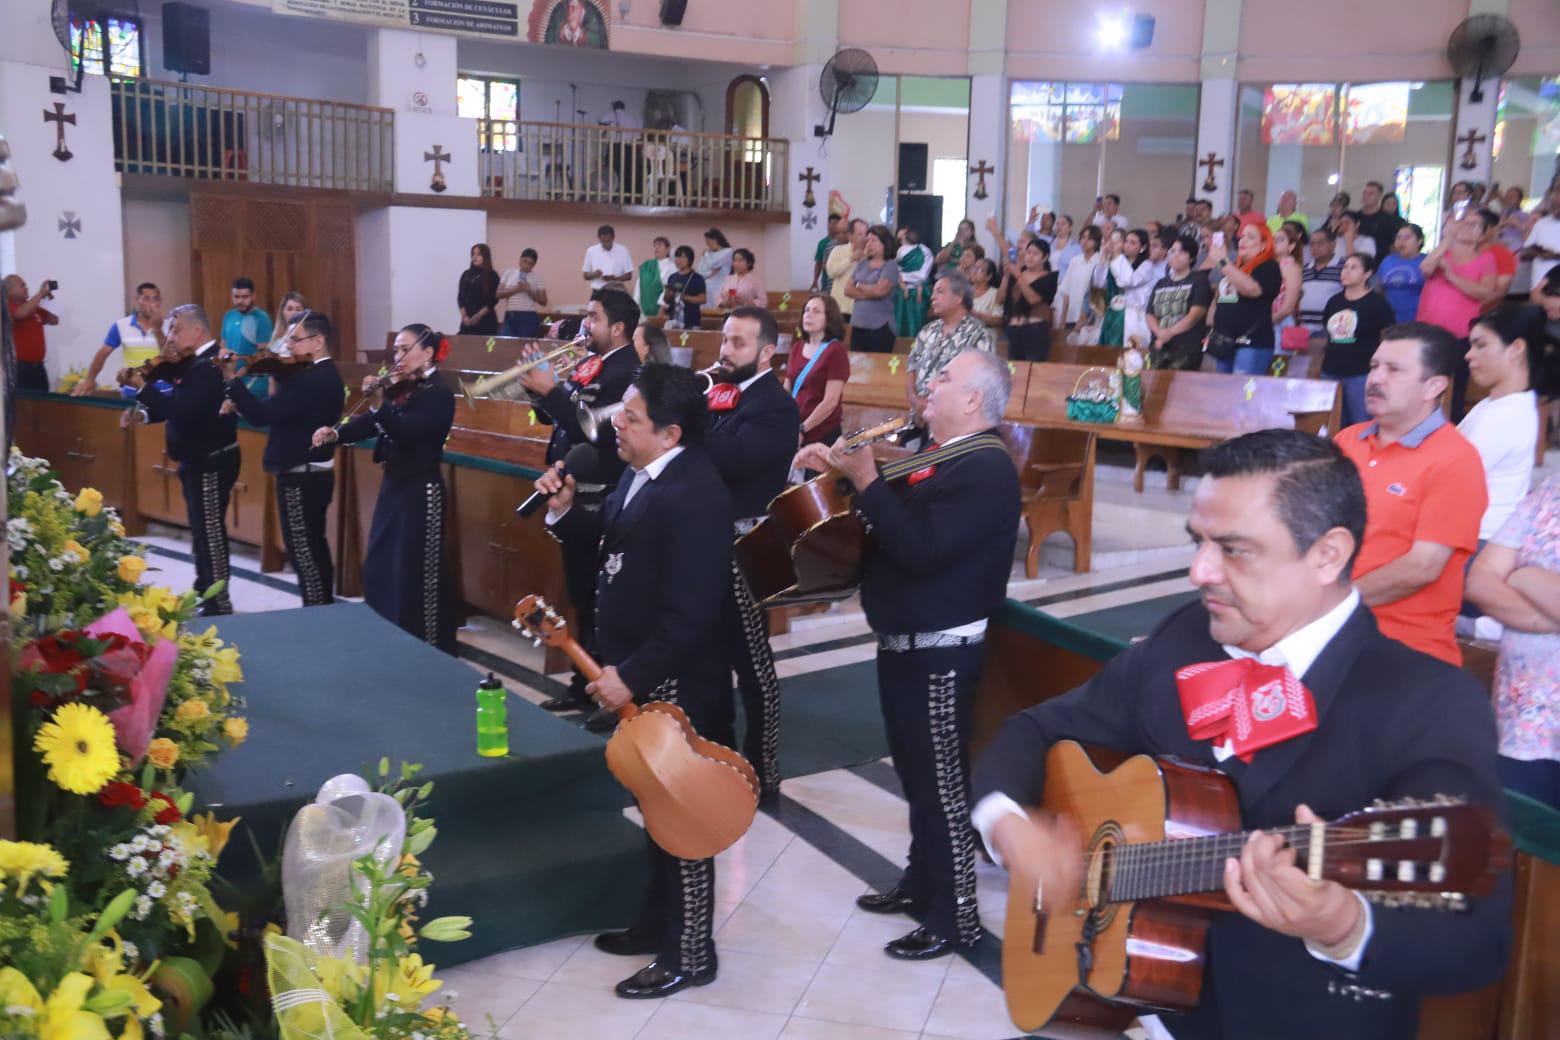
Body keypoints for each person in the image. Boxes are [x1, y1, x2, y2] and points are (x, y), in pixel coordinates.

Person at [973, 427, 1512, 1040]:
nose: (1201, 571)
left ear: (1329, 554)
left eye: (1235, 549)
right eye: (1198, 542)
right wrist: (1009, 826)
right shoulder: (1184, 641)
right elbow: (1036, 729)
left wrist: (1345, 923)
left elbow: (1477, 940)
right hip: (1144, 1010)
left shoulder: (1428, 704)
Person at [796, 348, 1021, 961]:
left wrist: (868, 480)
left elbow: (923, 547)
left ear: (975, 400)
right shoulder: (939, 456)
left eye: (944, 378)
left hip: (943, 650)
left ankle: (956, 919)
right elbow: (890, 521)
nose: (929, 384)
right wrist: (844, 477)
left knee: (942, 784)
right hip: (904, 641)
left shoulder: (986, 468)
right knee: (915, 776)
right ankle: (922, 881)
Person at [536, 363, 733, 999]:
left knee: (683, 817)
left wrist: (634, 675)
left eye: (631, 417)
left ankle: (691, 951)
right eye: (621, 408)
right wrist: (565, 514)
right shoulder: (641, 474)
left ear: (671, 432)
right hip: (640, 670)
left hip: (677, 681)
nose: (615, 422)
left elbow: (693, 613)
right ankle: (655, 923)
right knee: (654, 809)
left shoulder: (697, 493)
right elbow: (616, 542)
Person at [1335, 323, 1486, 665]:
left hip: (1405, 652)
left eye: (1394, 370)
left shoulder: (1455, 459)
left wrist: (1332, 603)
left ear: (1434, 386)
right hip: (1333, 638)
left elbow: (1421, 567)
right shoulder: (1348, 441)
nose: (1376, 379)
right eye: (1374, 366)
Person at [523, 289, 641, 717]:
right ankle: (582, 684)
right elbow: (559, 418)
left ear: (619, 328)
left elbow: (598, 432)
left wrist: (554, 393)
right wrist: (540, 392)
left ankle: (604, 695)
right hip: (573, 494)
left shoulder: (629, 373)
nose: (585, 324)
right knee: (579, 597)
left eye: (593, 317)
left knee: (600, 602)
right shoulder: (593, 365)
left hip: (602, 498)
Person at [703, 307, 800, 796]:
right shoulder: (721, 395)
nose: (725, 351)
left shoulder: (776, 407)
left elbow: (736, 461)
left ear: (766, 352)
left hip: (747, 546)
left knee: (752, 662)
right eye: (724, 340)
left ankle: (764, 766)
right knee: (708, 659)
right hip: (707, 540)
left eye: (738, 343)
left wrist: (688, 421)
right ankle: (716, 755)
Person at [317, 325, 457, 650]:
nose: (398, 357)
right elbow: (372, 423)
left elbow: (406, 431)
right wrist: (337, 433)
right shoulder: (403, 389)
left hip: (422, 490)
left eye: (405, 349)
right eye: (395, 350)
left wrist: (380, 406)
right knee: (383, 563)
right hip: (395, 483)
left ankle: (428, 645)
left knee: (416, 569)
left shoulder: (438, 393)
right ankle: (388, 635)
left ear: (428, 353)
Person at [222, 311, 345, 608]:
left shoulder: (310, 380)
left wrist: (232, 382)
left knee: (304, 550)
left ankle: (318, 613)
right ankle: (321, 609)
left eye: (294, 339)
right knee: (313, 546)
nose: (287, 346)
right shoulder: (319, 374)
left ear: (317, 342)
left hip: (301, 475)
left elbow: (261, 415)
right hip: (315, 472)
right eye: (287, 338)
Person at [124, 304, 237, 616]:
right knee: (200, 531)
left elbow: (184, 412)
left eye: (175, 330)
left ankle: (219, 601)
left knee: (210, 532)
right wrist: (144, 413)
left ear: (196, 331)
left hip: (211, 459)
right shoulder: (191, 363)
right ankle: (205, 589)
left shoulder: (210, 365)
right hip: (195, 460)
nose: (170, 337)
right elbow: (176, 404)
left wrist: (144, 389)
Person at [1465, 475, 1560, 808]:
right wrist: (1545, 618)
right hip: (1521, 727)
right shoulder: (1548, 493)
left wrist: (1523, 575)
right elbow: (1479, 579)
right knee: (1521, 848)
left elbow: (1500, 573)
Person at [1460, 305, 1542, 547]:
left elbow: (1450, 477)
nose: (1468, 355)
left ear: (1515, 349)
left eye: (1481, 345)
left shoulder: (1508, 414)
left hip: (1480, 540)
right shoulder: (1492, 405)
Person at [1320, 253, 1397, 426]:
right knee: (1331, 423)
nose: (1346, 271)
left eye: (1353, 267)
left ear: (1367, 273)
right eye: (1345, 267)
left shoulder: (1377, 304)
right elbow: (1328, 331)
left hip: (1360, 373)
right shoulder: (1334, 301)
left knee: (1360, 423)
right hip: (1330, 369)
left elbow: (1388, 337)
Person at [908, 270, 996, 418]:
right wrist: (915, 400)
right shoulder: (927, 331)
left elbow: (981, 382)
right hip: (919, 416)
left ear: (959, 297)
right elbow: (911, 368)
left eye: (940, 292)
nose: (932, 297)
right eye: (933, 292)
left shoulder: (979, 334)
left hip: (955, 420)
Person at [1205, 221, 1282, 374]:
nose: (1243, 240)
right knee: (1223, 394)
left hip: (1252, 342)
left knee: (1243, 395)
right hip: (1225, 342)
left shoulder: (1269, 266)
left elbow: (1251, 289)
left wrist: (1222, 261)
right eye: (1242, 236)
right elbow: (1221, 298)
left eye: (1250, 237)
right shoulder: (1233, 268)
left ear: (1263, 245)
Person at [75, 282, 167, 395]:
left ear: (160, 302)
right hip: (132, 390)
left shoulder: (168, 324)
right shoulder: (121, 325)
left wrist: (158, 330)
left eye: (155, 299)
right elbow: (102, 354)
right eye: (146, 299)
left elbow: (170, 355)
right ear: (137, 300)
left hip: (163, 390)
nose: (151, 303)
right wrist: (90, 380)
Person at [785, 292, 850, 447]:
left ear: (829, 318)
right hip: (795, 428)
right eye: (806, 310)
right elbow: (786, 390)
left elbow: (830, 401)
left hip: (821, 432)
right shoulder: (797, 347)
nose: (808, 315)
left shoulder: (836, 351)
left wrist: (803, 428)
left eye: (816, 311)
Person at [1146, 235, 1212, 371]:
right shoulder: (1161, 283)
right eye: (1173, 251)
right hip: (1159, 346)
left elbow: (1195, 316)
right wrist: (1159, 332)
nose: (1176, 255)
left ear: (1192, 257)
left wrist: (1168, 333)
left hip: (1186, 348)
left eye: (1181, 252)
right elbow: (1150, 313)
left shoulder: (1199, 280)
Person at [1094, 228, 1155, 347]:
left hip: (1133, 316)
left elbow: (1128, 281)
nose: (1127, 245)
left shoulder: (1146, 266)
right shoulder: (1116, 262)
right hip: (1113, 313)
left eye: (1133, 242)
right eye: (1126, 241)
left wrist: (1116, 255)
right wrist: (1103, 257)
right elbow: (1099, 283)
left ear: (1142, 247)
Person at [845, 224, 901, 353]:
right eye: (868, 240)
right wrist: (869, 288)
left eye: (873, 240)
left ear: (885, 243)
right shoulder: (862, 264)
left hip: (880, 327)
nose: (868, 244)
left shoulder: (890, 266)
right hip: (858, 324)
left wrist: (858, 286)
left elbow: (880, 291)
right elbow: (847, 289)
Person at [1001, 236, 1057, 361]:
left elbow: (1033, 299)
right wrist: (1006, 276)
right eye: (1028, 252)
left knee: (1034, 371)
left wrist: (1018, 276)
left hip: (1035, 330)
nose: (1030, 257)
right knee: (1014, 371)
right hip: (1014, 328)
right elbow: (1000, 299)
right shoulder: (1018, 272)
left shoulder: (1050, 278)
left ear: (1045, 257)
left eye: (1035, 253)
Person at [4, 275, 56, 391]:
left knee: (43, 405)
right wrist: (41, 293)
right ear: (9, 290)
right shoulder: (7, 306)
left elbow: (54, 320)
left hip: (38, 368)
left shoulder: (32, 307)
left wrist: (47, 299)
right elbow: (20, 314)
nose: (26, 288)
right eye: (22, 285)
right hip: (20, 369)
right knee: (24, 407)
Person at [220, 277, 274, 384]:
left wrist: (246, 369)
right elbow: (223, 347)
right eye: (236, 297)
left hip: (253, 379)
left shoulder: (262, 318)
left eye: (245, 297)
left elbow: (263, 354)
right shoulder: (229, 316)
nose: (240, 301)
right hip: (230, 377)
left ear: (253, 296)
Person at [1377, 223, 1427, 324]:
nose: (1401, 241)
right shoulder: (1387, 260)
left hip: (1416, 319)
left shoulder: (1427, 261)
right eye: (1398, 237)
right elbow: (1379, 289)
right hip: (1389, 318)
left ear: (1419, 241)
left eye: (1407, 237)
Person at [1297, 227, 1344, 334]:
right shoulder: (1304, 269)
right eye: (1312, 243)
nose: (1315, 247)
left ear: (1333, 245)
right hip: (1304, 328)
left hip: (1332, 328)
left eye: (1320, 243)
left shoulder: (1345, 267)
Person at [1056, 224, 1101, 329]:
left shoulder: (1100, 262)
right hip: (1071, 316)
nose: (1085, 241)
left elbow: (1098, 293)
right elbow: (1066, 291)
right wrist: (1063, 317)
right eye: (1083, 237)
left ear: (1097, 242)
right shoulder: (1075, 261)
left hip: (1090, 318)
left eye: (1089, 238)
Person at [894, 227, 934, 338]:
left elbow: (923, 274)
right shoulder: (900, 251)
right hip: (904, 293)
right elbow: (896, 271)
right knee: (901, 322)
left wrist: (905, 277)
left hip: (915, 293)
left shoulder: (924, 251)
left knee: (918, 324)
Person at [498, 249, 548, 338]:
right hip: (511, 315)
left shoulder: (536, 278)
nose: (526, 265)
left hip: (528, 316)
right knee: (506, 344)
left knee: (525, 346)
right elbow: (498, 294)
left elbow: (544, 301)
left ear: (534, 265)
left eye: (530, 263)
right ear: (520, 260)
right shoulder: (509, 273)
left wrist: (528, 290)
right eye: (525, 261)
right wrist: (516, 289)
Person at [1476, 209, 1518, 312]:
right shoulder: (1456, 250)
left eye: (1481, 226)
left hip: (1484, 314)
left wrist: (1469, 308)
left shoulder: (1504, 255)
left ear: (1494, 229)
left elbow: (1500, 291)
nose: (1476, 230)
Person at [827, 218, 867, 320]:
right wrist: (851, 259)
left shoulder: (871, 255)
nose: (864, 238)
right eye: (859, 234)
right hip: (840, 308)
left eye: (866, 234)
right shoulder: (838, 251)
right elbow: (831, 272)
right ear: (851, 236)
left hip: (862, 309)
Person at [457, 244, 500, 336]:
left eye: (478, 254)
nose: (475, 257)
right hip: (467, 321)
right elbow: (461, 297)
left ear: (485, 256)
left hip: (486, 321)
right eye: (473, 254)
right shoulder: (466, 274)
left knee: (486, 349)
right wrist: (464, 316)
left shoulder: (492, 275)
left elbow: (492, 300)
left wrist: (477, 317)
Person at [662, 246, 708, 330]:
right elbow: (666, 300)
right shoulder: (672, 277)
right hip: (672, 320)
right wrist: (667, 295)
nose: (678, 260)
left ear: (690, 259)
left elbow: (702, 299)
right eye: (677, 256)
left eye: (682, 257)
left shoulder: (697, 278)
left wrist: (683, 297)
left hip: (691, 321)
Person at [1357, 180, 1404, 260]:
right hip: (1359, 262)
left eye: (1370, 194)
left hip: (1380, 264)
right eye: (1364, 193)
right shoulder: (1355, 217)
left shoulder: (1388, 220)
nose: (1366, 196)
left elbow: (1395, 245)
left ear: (1379, 196)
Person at [583, 224, 633, 293]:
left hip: (617, 290)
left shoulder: (623, 250)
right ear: (599, 238)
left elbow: (629, 276)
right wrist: (594, 274)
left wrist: (615, 279)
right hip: (598, 290)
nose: (606, 244)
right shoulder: (591, 251)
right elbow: (585, 276)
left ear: (613, 238)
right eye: (603, 241)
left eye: (608, 241)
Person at [636, 236, 676, 319]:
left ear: (667, 249)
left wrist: (662, 306)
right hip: (644, 309)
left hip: (662, 310)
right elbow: (639, 285)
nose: (656, 247)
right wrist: (636, 304)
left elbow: (669, 289)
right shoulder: (646, 265)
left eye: (660, 245)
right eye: (655, 245)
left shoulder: (672, 267)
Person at [812, 213, 848, 291]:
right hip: (827, 283)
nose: (832, 226)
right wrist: (815, 280)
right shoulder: (823, 243)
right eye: (830, 223)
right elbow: (819, 264)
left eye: (835, 223)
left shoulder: (848, 243)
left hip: (843, 284)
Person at [969, 258, 1003, 328]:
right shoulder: (964, 290)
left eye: (980, 269)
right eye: (974, 267)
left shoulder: (995, 294)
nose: (974, 271)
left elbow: (999, 320)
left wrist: (976, 314)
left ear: (989, 276)